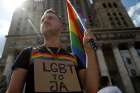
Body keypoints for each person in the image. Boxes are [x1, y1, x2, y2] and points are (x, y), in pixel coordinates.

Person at [6, 9, 99, 93]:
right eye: (42, 20)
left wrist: (89, 52)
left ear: (62, 26)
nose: (45, 21)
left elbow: (91, 89)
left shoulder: (74, 58)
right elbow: (13, 91)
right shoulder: (28, 53)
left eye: (50, 18)